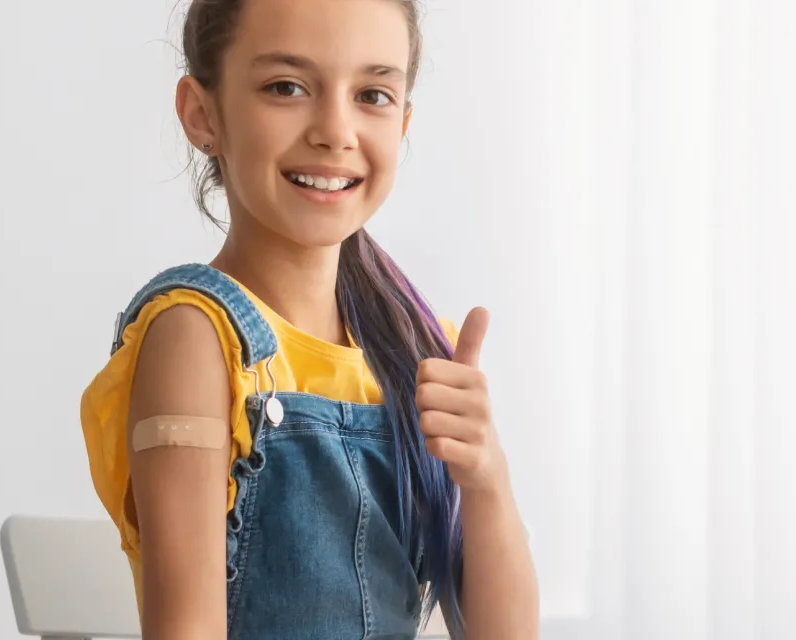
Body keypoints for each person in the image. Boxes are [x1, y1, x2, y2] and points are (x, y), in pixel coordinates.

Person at [81, 0, 539, 637]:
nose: (335, 130)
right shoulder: (195, 336)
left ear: (403, 120)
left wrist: (485, 477)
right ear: (200, 113)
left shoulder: (414, 349)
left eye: (372, 94)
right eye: (286, 87)